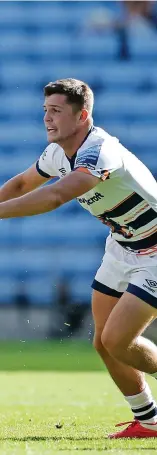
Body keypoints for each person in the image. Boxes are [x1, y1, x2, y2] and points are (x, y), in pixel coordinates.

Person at [0, 78, 157, 438]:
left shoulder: (100, 152)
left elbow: (56, 197)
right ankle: (150, 422)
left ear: (82, 114)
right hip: (122, 246)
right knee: (103, 342)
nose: (47, 119)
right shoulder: (57, 153)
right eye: (45, 111)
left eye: (56, 111)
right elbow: (22, 185)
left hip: (154, 251)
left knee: (119, 339)